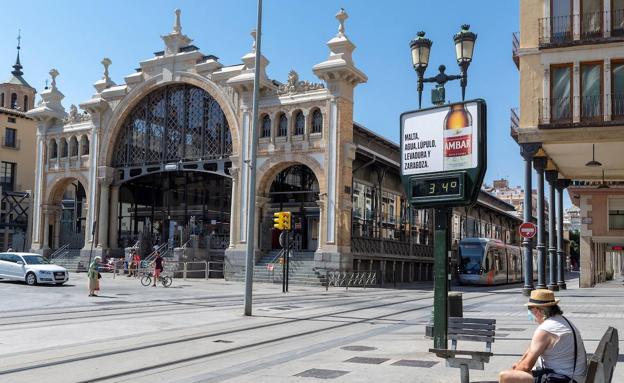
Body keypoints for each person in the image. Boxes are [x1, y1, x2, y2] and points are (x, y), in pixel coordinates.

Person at [499, 289, 587, 383]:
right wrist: (520, 362)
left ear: (537, 311)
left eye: (530, 309)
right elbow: (532, 349)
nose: (529, 314)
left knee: (505, 376)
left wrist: (515, 371)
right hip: (572, 376)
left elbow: (526, 366)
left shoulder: (545, 329)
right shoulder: (561, 321)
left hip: (564, 379)